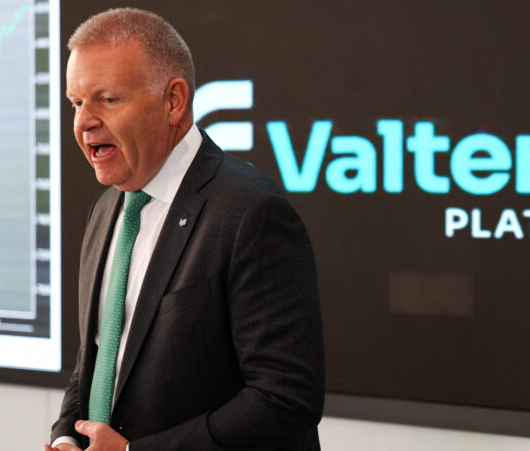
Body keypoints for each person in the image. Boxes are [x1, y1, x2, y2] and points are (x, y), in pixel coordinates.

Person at [45, 8, 324, 451]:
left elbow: (285, 398)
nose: (83, 122)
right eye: (76, 103)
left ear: (173, 101)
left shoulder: (252, 213)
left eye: (108, 100)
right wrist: (66, 437)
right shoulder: (105, 208)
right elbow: (100, 354)